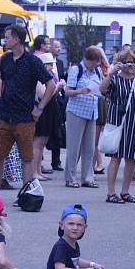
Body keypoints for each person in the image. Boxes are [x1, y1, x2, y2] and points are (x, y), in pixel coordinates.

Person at [0, 24, 55, 196]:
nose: (5, 39)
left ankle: (26, 194)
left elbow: (51, 85)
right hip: (5, 115)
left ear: (18, 39)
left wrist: (40, 108)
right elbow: (4, 82)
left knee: (27, 157)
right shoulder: (4, 59)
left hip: (25, 118)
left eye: (8, 36)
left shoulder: (32, 61)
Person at [99, 50, 135, 203]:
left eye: (131, 61)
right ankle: (111, 193)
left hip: (134, 122)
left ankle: (125, 192)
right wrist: (112, 72)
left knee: (131, 158)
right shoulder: (115, 78)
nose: (129, 64)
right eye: (125, 61)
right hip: (117, 121)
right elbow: (102, 89)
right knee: (115, 156)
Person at [44, 204, 112, 269]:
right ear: (61, 225)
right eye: (71, 224)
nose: (75, 227)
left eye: (79, 225)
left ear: (85, 227)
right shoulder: (61, 246)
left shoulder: (73, 243)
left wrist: (93, 265)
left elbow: (75, 260)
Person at [63, 46, 102, 188]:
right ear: (87, 59)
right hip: (76, 112)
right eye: (94, 62)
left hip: (92, 112)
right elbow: (67, 92)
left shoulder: (96, 71)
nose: (96, 65)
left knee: (89, 147)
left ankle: (87, 178)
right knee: (74, 147)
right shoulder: (76, 70)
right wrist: (81, 91)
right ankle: (70, 177)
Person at [33, 52, 62, 181]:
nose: (52, 67)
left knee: (42, 143)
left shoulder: (49, 77)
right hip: (42, 110)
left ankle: (38, 170)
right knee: (38, 143)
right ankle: (35, 171)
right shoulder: (39, 78)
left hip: (49, 110)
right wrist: (58, 87)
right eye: (49, 64)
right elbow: (43, 94)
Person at [49, 38, 66, 172]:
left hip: (59, 99)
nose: (58, 49)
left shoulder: (60, 63)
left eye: (59, 47)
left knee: (58, 129)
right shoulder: (43, 61)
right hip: (48, 97)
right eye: (56, 46)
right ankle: (39, 162)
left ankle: (56, 161)